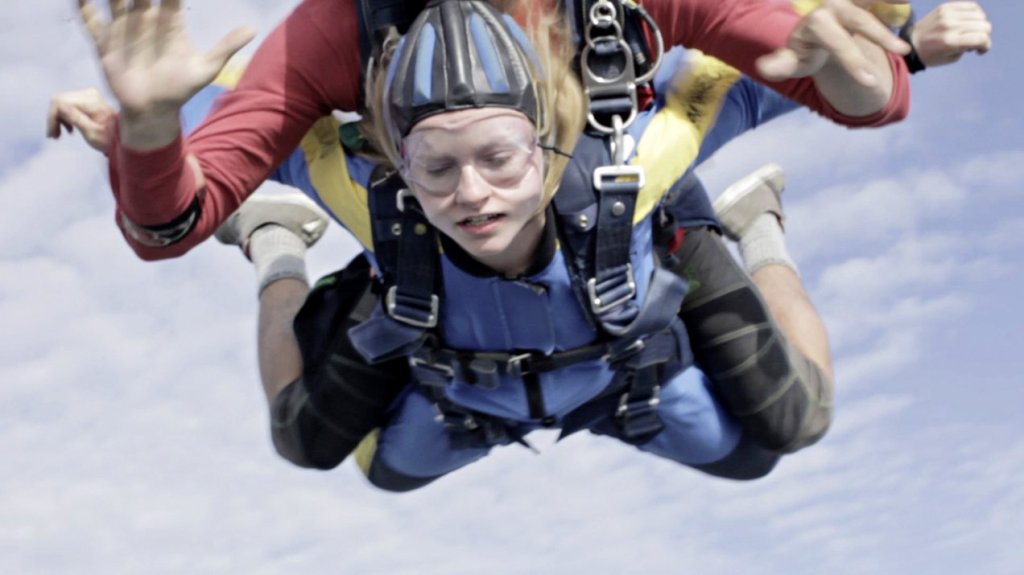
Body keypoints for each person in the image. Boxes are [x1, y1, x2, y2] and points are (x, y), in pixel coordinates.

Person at [64, 0, 919, 491]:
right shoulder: (336, 38)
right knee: (337, 449)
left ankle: (748, 224)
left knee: (783, 426)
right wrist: (147, 127)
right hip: (426, 251)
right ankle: (279, 246)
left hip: (623, 214)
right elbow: (177, 217)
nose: (472, 187)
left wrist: (872, 66)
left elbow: (832, 86)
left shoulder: (626, 19)